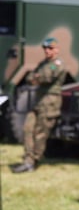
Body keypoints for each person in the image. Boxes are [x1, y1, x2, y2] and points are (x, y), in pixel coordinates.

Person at [12, 37, 68, 173]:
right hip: (38, 102)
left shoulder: (58, 63)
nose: (47, 51)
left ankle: (32, 161)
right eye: (45, 48)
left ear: (56, 49)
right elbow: (29, 77)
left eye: (50, 48)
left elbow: (46, 78)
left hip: (50, 103)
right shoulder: (43, 63)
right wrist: (36, 77)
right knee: (27, 129)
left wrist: (37, 77)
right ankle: (28, 158)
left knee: (40, 134)